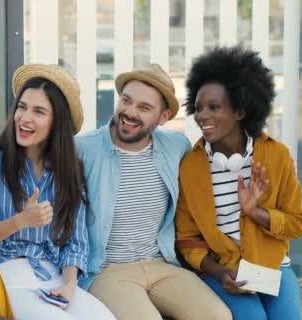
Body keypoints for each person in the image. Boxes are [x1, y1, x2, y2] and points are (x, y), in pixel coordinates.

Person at [74, 64, 231, 320]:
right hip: (108, 270)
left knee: (218, 316)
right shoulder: (83, 149)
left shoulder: (176, 146)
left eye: (144, 108)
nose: (129, 112)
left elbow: (208, 177)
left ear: (163, 117)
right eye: (126, 101)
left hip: (162, 264)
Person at [0, 64, 116, 320]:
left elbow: (75, 241)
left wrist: (68, 284)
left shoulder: (67, 170)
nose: (25, 118)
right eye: (22, 107)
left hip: (53, 275)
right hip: (8, 275)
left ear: (57, 122)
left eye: (39, 111)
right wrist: (21, 221)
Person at [175, 46, 302, 320]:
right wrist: (219, 272)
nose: (202, 116)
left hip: (274, 269)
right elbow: (187, 239)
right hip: (223, 271)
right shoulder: (190, 167)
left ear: (240, 110)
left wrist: (255, 213)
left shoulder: (276, 155)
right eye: (199, 108)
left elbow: (298, 223)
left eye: (214, 107)